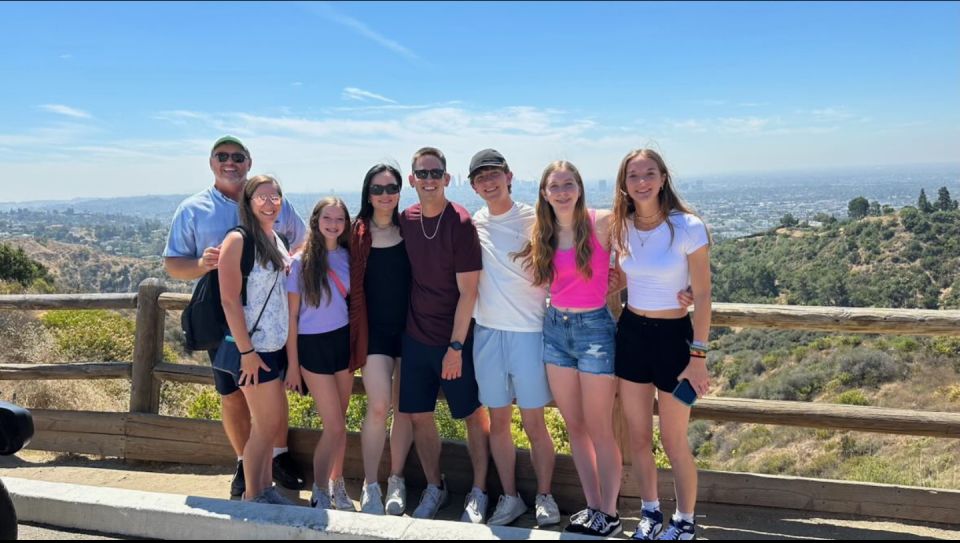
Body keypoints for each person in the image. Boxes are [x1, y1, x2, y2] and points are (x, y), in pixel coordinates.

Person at [162, 136, 305, 498]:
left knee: (270, 402)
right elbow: (174, 265)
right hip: (228, 327)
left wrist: (292, 269)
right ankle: (249, 471)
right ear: (211, 162)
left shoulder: (273, 210)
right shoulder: (194, 209)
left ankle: (271, 463)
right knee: (234, 396)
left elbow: (302, 241)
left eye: (237, 157)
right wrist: (200, 265)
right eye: (222, 156)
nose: (230, 162)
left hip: (268, 327)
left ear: (248, 162)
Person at [513, 160, 622, 536]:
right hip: (555, 329)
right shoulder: (540, 232)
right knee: (575, 425)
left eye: (568, 183)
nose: (562, 191)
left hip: (594, 328)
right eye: (554, 186)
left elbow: (633, 261)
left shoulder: (602, 222)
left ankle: (609, 512)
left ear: (579, 186)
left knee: (600, 427)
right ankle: (592, 505)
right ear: (544, 193)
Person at [610, 149, 711, 540]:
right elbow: (625, 277)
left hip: (675, 340)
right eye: (633, 176)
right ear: (624, 184)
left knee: (673, 439)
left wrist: (698, 356)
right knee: (637, 436)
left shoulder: (688, 226)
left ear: (663, 177)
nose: (641, 182)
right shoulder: (622, 226)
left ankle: (685, 520)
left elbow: (702, 295)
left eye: (649, 173)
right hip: (632, 334)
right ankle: (650, 513)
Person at [467, 149, 560, 527]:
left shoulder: (536, 217)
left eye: (494, 174)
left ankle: (545, 496)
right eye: (480, 178)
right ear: (473, 186)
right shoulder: (473, 223)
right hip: (487, 331)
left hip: (529, 331)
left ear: (509, 176)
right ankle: (509, 497)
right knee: (499, 422)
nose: (488, 182)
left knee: (535, 422)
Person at [397, 147, 491, 522]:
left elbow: (469, 291)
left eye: (436, 172)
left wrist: (455, 346)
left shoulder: (461, 223)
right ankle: (435, 486)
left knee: (471, 414)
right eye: (423, 173)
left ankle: (480, 490)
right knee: (419, 415)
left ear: (447, 179)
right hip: (415, 336)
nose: (429, 179)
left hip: (455, 340)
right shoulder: (407, 218)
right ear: (412, 179)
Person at [218, 175, 294, 504]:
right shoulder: (238, 239)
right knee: (263, 426)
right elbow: (229, 300)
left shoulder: (274, 238)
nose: (269, 202)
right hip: (252, 350)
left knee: (271, 422)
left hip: (272, 347)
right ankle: (253, 496)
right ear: (248, 202)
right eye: (261, 197)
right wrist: (247, 351)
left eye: (274, 196)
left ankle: (264, 489)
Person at [348, 163, 415, 515]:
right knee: (378, 406)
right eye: (377, 189)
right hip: (372, 333)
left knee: (404, 409)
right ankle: (370, 482)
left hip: (410, 330)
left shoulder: (412, 229)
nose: (385, 195)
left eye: (391, 188)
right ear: (367, 193)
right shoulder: (357, 233)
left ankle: (397, 481)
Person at [285, 197, 358, 512]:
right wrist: (292, 365)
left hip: (342, 343)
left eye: (339, 219)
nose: (333, 224)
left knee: (339, 421)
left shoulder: (348, 257)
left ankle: (337, 482)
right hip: (311, 346)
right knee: (334, 426)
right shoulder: (301, 262)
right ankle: (319, 488)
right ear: (316, 220)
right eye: (327, 218)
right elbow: (291, 316)